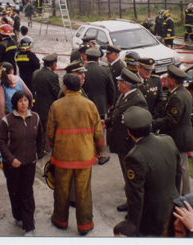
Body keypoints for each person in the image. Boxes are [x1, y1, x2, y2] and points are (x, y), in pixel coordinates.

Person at [48, 74, 104, 236]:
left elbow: (50, 132)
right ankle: (85, 225)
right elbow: (98, 131)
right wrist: (99, 148)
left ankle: (60, 220)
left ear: (65, 87)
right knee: (83, 191)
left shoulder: (56, 105)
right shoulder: (90, 105)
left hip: (62, 155)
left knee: (61, 189)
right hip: (85, 156)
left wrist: (54, 145)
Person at [123, 106, 182, 237]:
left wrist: (133, 227)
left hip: (152, 216)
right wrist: (177, 198)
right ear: (150, 125)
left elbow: (135, 197)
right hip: (174, 204)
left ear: (128, 132)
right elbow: (178, 174)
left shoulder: (134, 157)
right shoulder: (168, 140)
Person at [0, 90, 44, 236]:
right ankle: (18, 216)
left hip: (29, 163)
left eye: (26, 100)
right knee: (14, 191)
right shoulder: (7, 120)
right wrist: (11, 159)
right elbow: (2, 142)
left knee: (27, 192)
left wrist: (38, 154)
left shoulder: (35, 117)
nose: (24, 103)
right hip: (12, 165)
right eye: (20, 101)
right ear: (15, 103)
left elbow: (40, 138)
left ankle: (29, 226)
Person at [103, 68, 148, 213]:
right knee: (127, 173)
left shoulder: (137, 100)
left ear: (126, 84)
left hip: (129, 144)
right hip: (122, 142)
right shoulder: (125, 95)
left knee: (132, 176)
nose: (117, 83)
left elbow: (138, 125)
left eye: (119, 81)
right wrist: (108, 122)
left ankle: (133, 205)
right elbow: (120, 115)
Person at [152, 65, 193, 196]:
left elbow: (171, 120)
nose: (166, 80)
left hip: (179, 137)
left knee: (181, 167)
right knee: (180, 166)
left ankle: (184, 194)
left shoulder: (178, 96)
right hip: (179, 135)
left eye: (168, 78)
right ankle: (182, 192)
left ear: (173, 81)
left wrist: (153, 124)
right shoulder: (178, 92)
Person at [82, 47, 115, 165]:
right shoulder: (105, 70)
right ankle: (101, 154)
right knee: (101, 129)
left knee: (87, 129)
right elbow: (111, 88)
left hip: (85, 105)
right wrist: (111, 102)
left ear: (86, 57)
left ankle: (89, 153)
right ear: (98, 58)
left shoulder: (82, 70)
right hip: (101, 105)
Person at [31, 53, 60, 149]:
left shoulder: (36, 73)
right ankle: (47, 151)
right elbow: (57, 93)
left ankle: (40, 150)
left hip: (38, 106)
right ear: (53, 64)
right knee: (49, 131)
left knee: (40, 130)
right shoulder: (52, 76)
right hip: (49, 107)